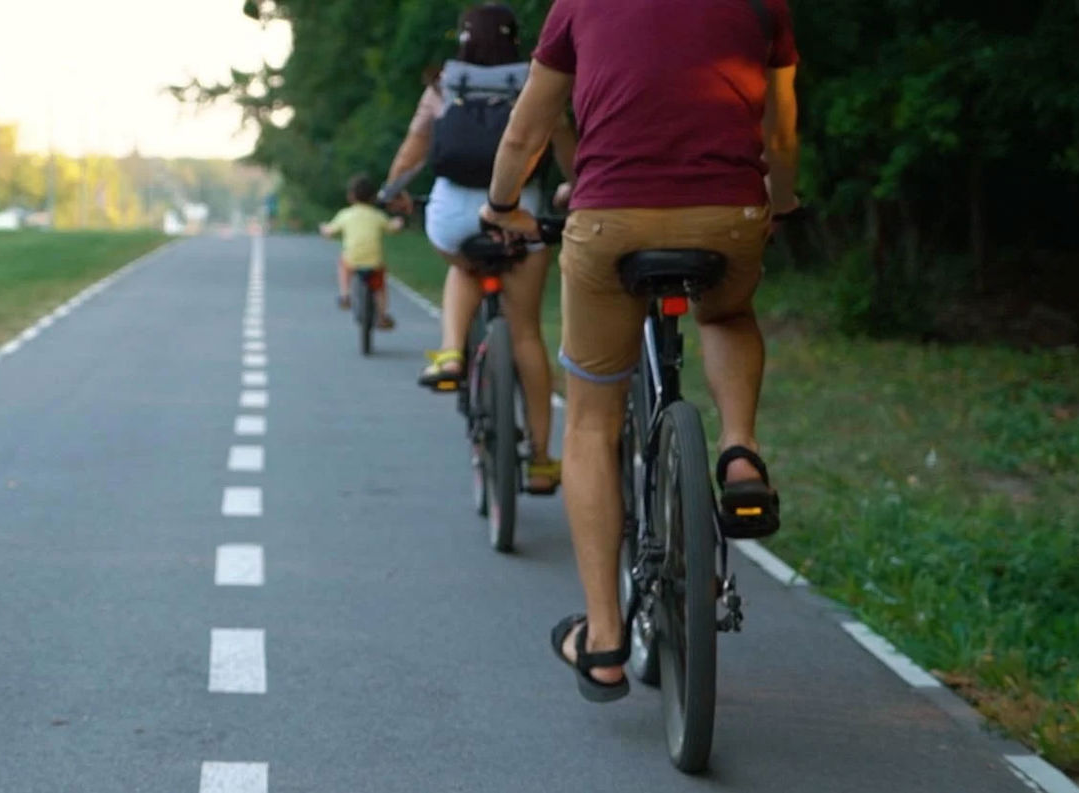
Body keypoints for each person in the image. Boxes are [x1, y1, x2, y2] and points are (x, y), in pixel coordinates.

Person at [480, 0, 800, 700]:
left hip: (608, 221)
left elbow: (527, 128)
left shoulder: (578, 6)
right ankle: (740, 450)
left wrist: (501, 204)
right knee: (727, 313)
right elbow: (779, 126)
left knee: (593, 421)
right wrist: (778, 200)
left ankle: (602, 638)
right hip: (731, 214)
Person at [376, 2, 561, 495]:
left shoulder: (444, 85)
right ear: (515, 42)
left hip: (454, 216)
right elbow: (566, 148)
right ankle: (542, 460)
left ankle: (452, 355)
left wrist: (392, 189)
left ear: (462, 40)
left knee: (463, 263)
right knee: (526, 335)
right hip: (520, 213)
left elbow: (414, 150)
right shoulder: (536, 81)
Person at [320, 175, 404, 330]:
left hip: (353, 259)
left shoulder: (346, 215)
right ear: (373, 197)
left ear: (351, 196)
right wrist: (398, 223)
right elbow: (392, 228)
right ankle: (382, 315)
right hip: (374, 261)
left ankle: (345, 295)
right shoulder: (377, 216)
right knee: (380, 286)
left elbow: (330, 231)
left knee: (343, 264)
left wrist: (324, 228)